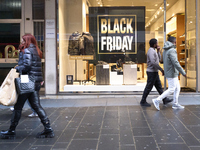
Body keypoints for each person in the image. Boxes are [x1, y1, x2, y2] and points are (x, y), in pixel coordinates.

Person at [0, 34, 54, 139]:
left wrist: (17, 68)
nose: (21, 42)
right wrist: (40, 79)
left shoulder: (27, 51)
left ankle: (11, 131)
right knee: (36, 106)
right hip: (35, 82)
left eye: (23, 40)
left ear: (27, 41)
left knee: (18, 107)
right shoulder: (37, 51)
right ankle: (48, 129)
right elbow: (38, 67)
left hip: (27, 82)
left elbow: (27, 66)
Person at [152, 36, 186, 110]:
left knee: (177, 88)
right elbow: (175, 62)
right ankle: (157, 100)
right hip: (172, 73)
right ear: (175, 42)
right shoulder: (172, 50)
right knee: (171, 89)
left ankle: (175, 104)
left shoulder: (165, 50)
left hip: (170, 72)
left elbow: (163, 61)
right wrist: (183, 72)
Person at [140, 38, 173, 107]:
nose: (158, 44)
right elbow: (153, 63)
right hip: (151, 72)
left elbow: (158, 59)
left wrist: (158, 51)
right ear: (154, 44)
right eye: (157, 43)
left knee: (159, 86)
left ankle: (164, 99)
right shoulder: (151, 51)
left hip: (154, 72)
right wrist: (161, 69)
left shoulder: (154, 51)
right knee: (149, 87)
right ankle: (143, 101)